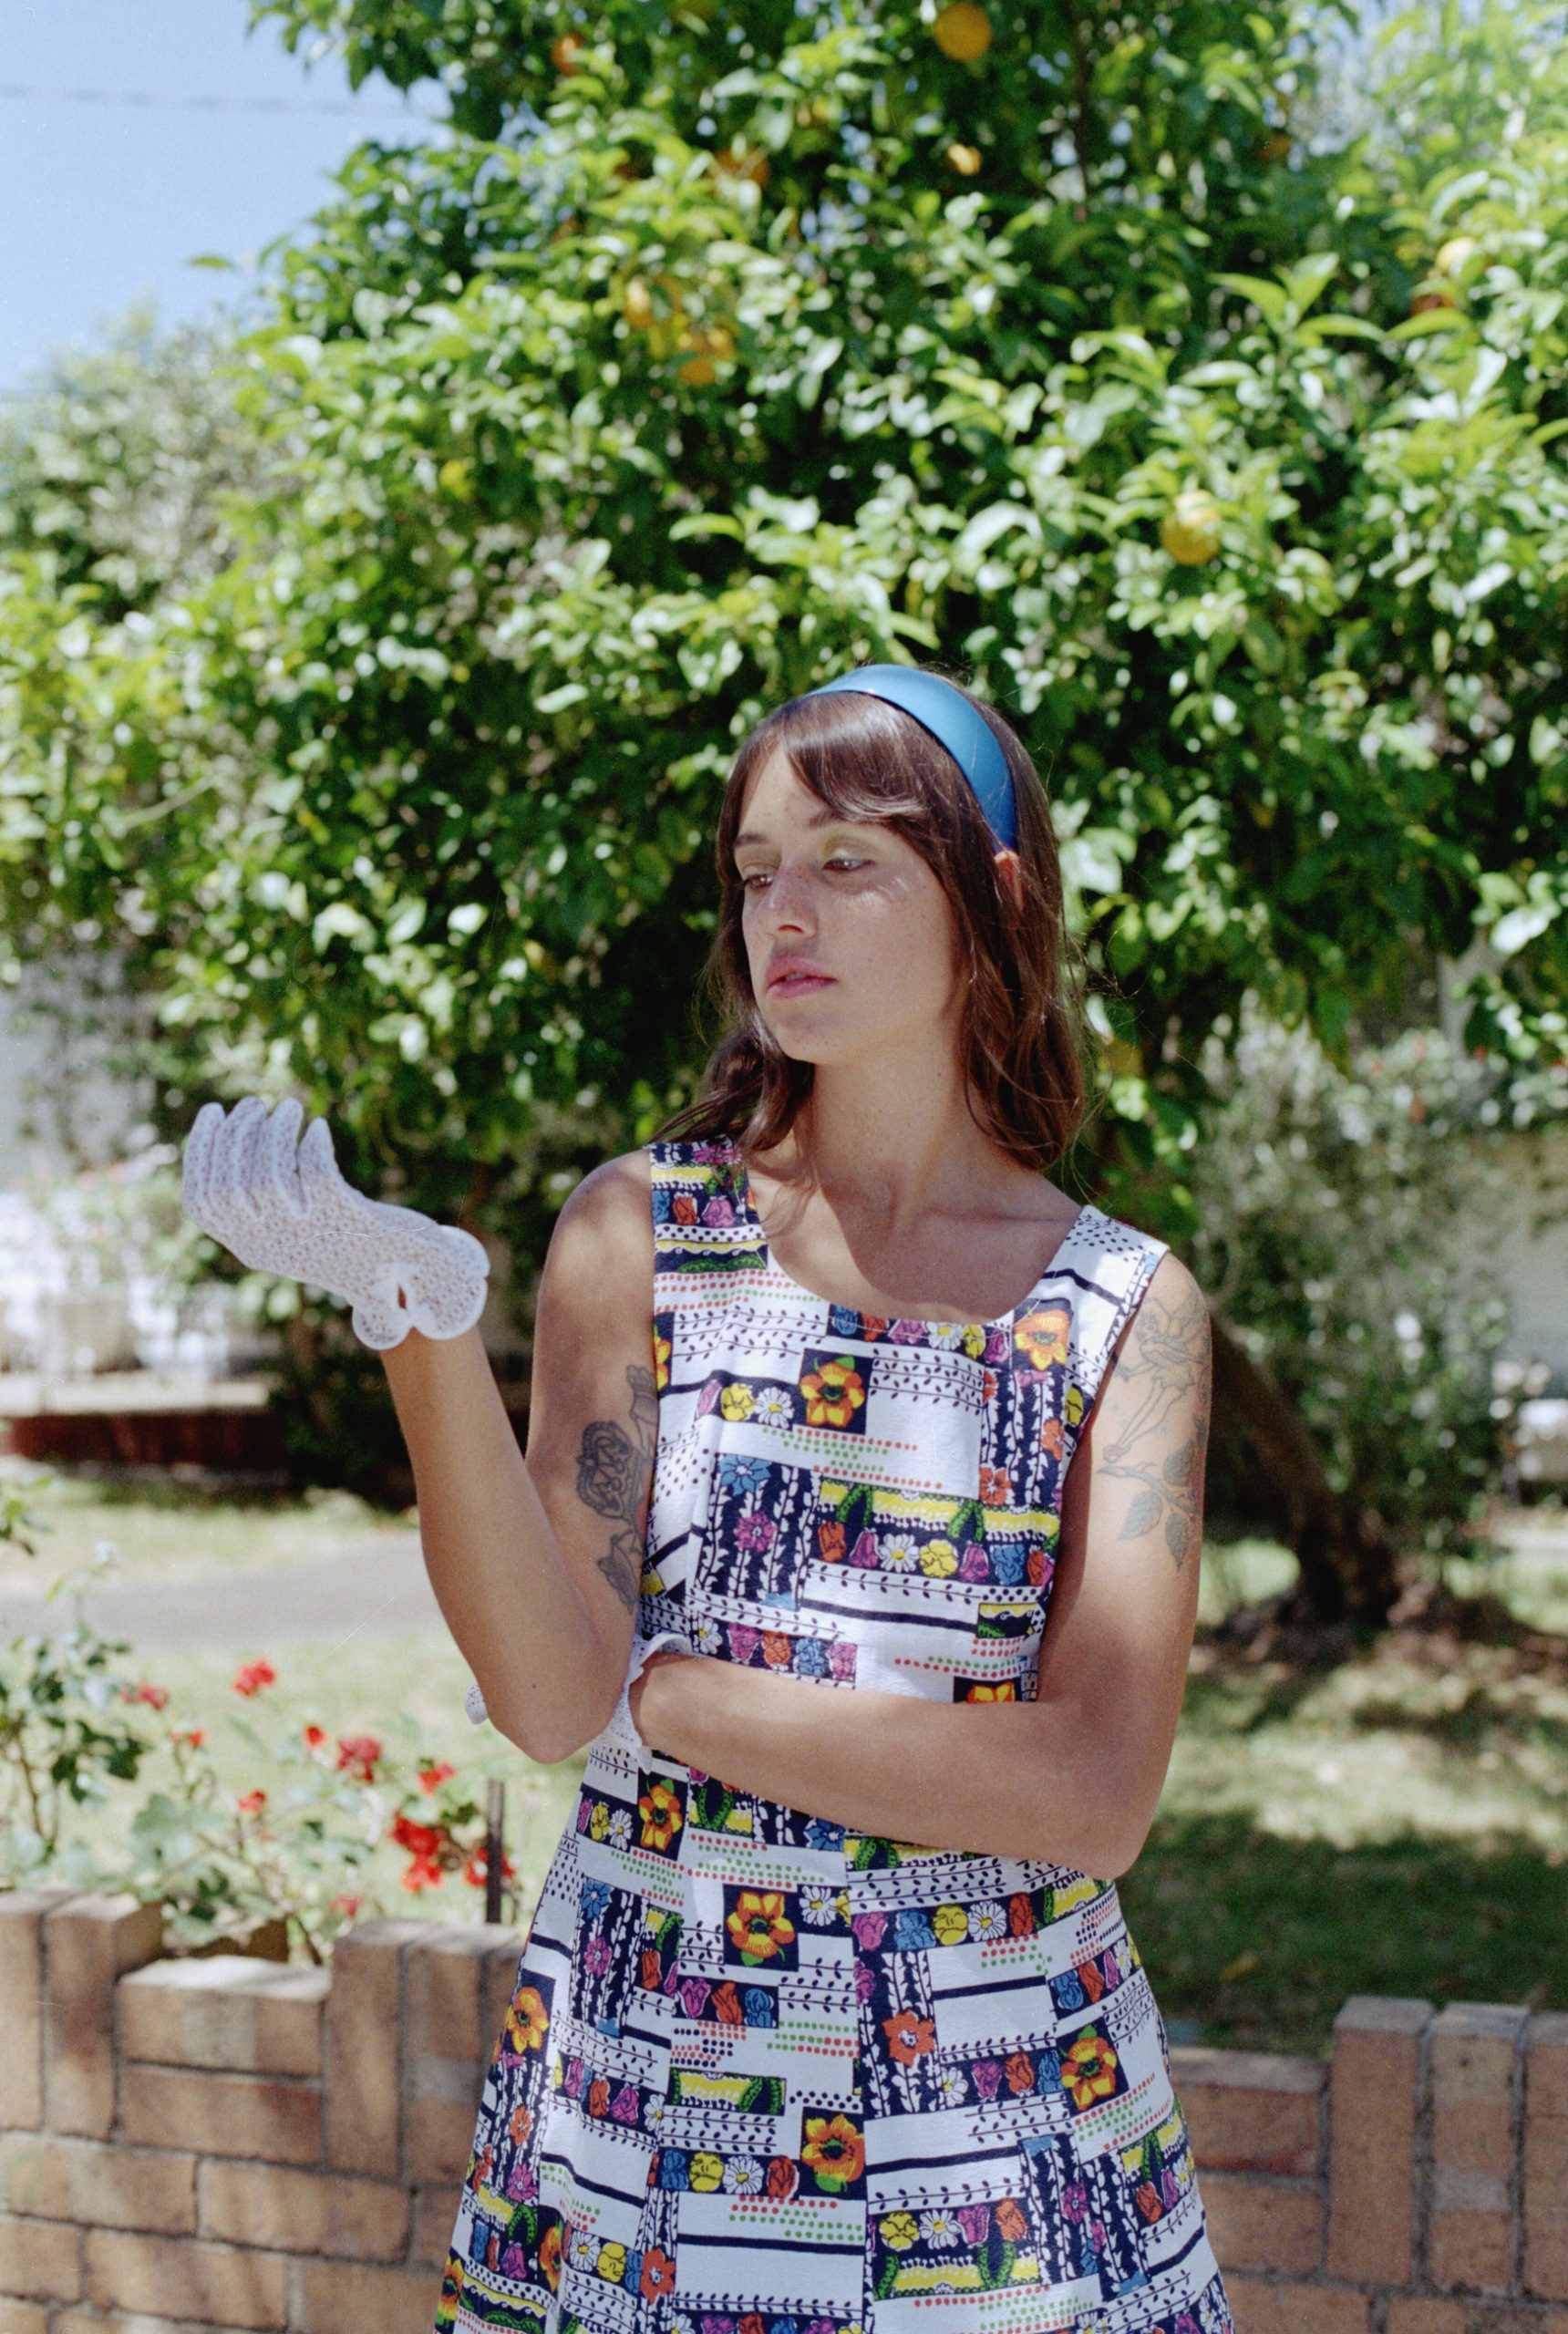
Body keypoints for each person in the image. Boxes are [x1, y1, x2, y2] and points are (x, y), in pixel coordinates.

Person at [181, 664, 1229, 2334]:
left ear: (995, 897)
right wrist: (420, 1330)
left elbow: (1094, 1792)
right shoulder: (639, 1236)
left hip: (1006, 2145)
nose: (781, 915)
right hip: (652, 2112)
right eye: (755, 872)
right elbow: (549, 1698)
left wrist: (678, 1700)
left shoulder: (1126, 1309)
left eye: (846, 862)